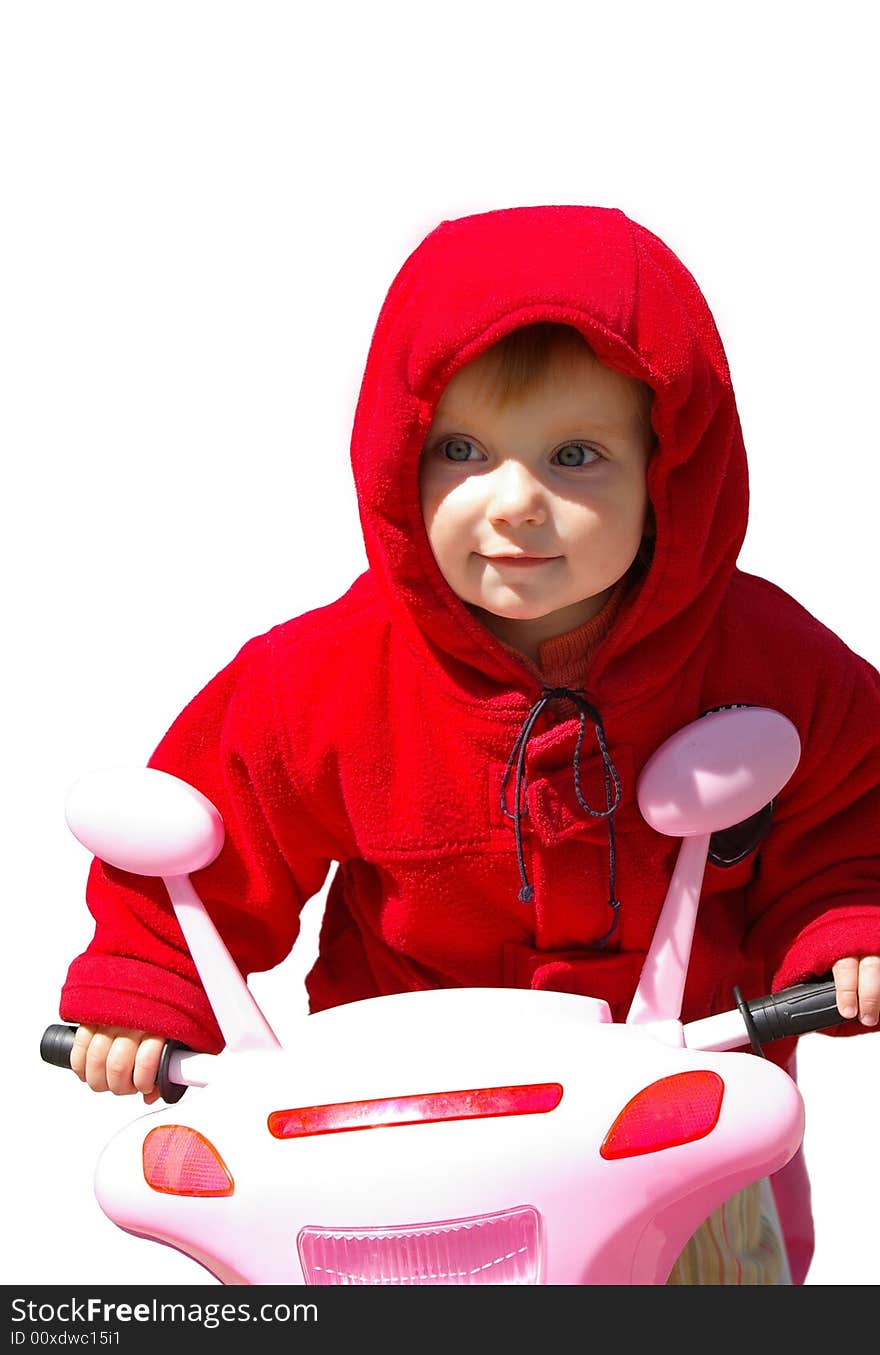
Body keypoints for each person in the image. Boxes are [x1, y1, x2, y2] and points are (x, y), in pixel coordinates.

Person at [59, 205, 880, 1284]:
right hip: (402, 1123)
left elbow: (850, 805)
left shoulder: (763, 659)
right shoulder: (321, 680)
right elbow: (203, 829)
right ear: (399, 459)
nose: (514, 505)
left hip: (672, 1107)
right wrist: (145, 980)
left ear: (667, 470)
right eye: (461, 452)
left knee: (711, 1278)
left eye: (575, 455)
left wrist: (847, 928)